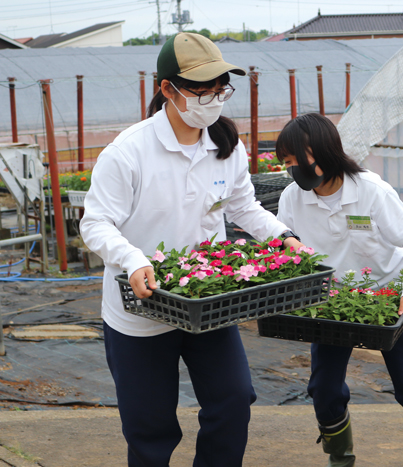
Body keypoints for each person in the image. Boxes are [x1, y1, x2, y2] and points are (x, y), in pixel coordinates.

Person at [80, 32, 302, 467]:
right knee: (151, 426)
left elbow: (243, 206)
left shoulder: (225, 146)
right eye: (201, 88)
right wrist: (133, 258)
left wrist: (282, 236)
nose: (214, 98)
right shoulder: (128, 153)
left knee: (234, 400)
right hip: (140, 308)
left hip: (207, 302)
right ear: (167, 88)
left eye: (220, 87)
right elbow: (95, 222)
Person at [275, 113, 403, 467]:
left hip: (389, 299)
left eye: (294, 160)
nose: (291, 170)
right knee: (323, 390)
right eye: (286, 163)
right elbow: (284, 250)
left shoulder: (371, 191)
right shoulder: (293, 198)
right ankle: (341, 460)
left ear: (320, 152)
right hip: (332, 303)